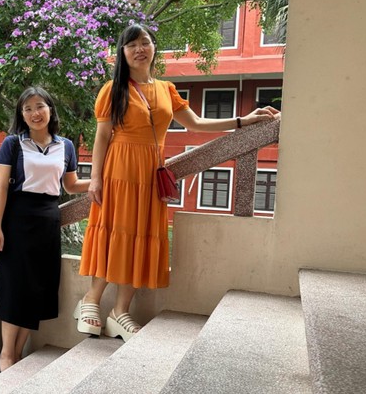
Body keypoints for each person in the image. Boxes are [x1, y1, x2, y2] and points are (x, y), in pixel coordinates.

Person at [77, 24, 280, 341]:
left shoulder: (166, 89)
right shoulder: (112, 89)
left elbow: (196, 123)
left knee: (140, 237)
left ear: (153, 47)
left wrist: (243, 120)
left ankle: (120, 311)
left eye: (145, 42)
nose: (139, 49)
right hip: (119, 171)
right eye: (132, 45)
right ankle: (90, 300)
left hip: (150, 173)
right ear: (122, 53)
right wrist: (95, 178)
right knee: (114, 232)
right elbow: (102, 136)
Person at [0, 86, 90, 373]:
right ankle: (6, 355)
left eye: (40, 106)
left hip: (47, 220)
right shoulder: (13, 144)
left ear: (50, 109)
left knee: (36, 288)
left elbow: (70, 185)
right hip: (17, 219)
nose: (35, 113)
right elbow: (1, 188)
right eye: (28, 108)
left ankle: (17, 352)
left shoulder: (65, 146)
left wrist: (100, 180)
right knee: (15, 288)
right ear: (21, 115)